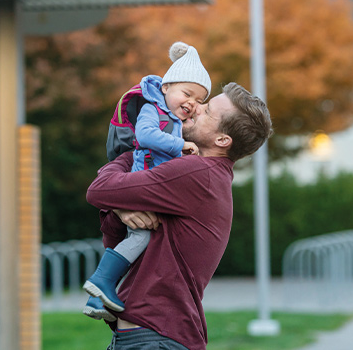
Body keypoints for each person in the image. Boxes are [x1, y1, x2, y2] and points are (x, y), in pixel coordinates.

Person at [86, 82, 274, 350]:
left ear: (222, 140)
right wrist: (120, 206)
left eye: (207, 111)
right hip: (148, 337)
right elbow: (113, 236)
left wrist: (132, 156)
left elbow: (98, 190)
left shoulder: (195, 173)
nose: (195, 107)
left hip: (154, 339)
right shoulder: (203, 175)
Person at [83, 42, 212, 318]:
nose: (192, 103)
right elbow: (146, 137)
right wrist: (181, 146)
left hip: (150, 183)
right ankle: (100, 281)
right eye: (187, 93)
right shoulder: (153, 109)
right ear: (166, 88)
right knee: (139, 238)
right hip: (142, 181)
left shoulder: (173, 118)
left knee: (137, 244)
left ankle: (98, 300)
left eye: (199, 100)